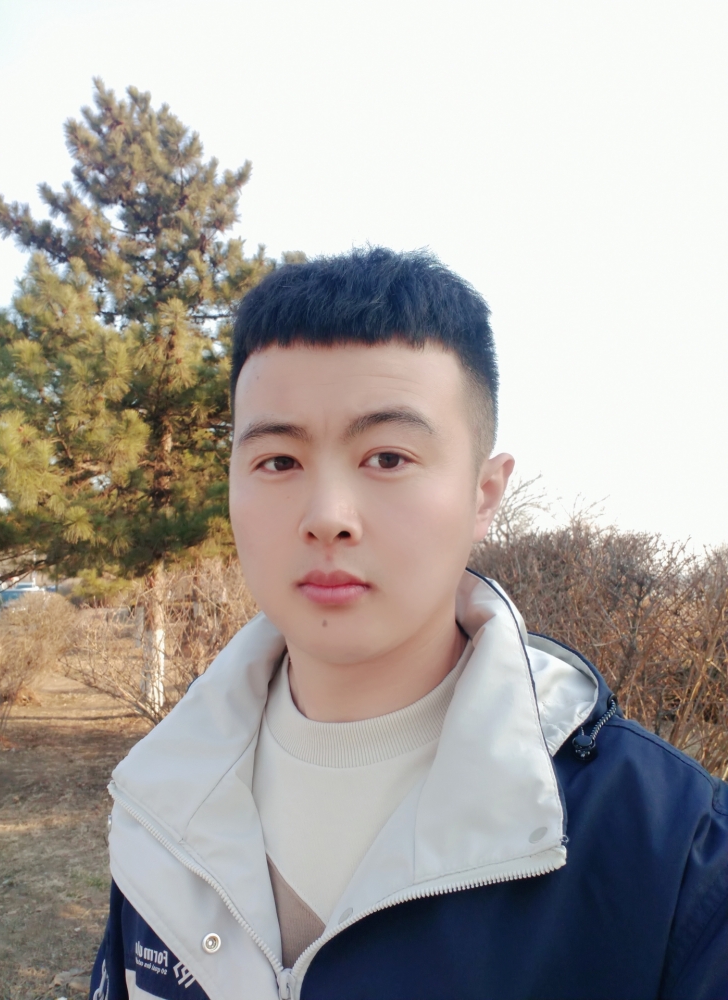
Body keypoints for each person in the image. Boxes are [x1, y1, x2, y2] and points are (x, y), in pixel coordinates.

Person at [90, 248, 728, 1000]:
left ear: (484, 495)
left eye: (387, 457)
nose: (327, 516)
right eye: (279, 461)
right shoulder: (163, 792)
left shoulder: (673, 851)